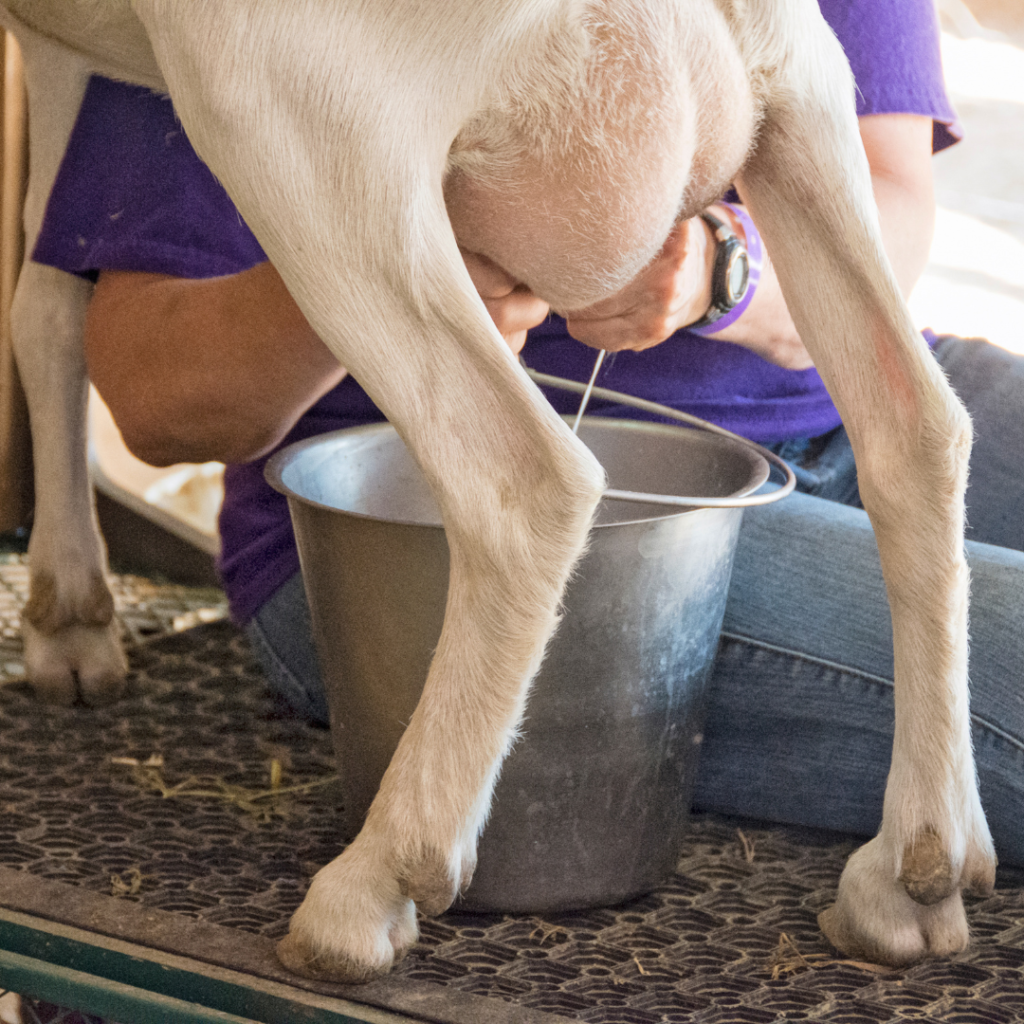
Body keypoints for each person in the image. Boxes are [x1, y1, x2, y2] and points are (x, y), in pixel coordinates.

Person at [31, 0, 1024, 865]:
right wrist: (383, 279)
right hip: (409, 525)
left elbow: (888, 194)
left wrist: (721, 272)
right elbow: (157, 397)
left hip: (841, 404)